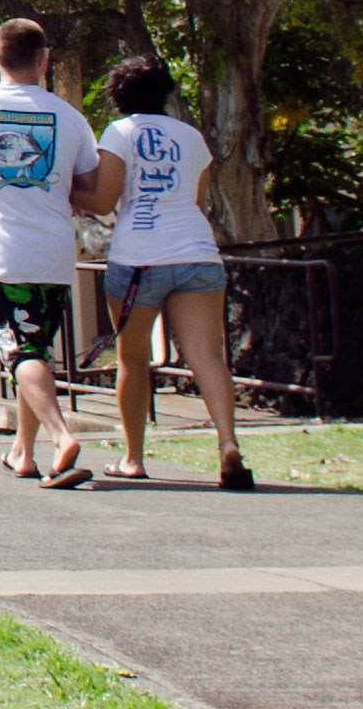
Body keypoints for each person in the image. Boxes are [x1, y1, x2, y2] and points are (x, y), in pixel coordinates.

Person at [0, 19, 103, 489]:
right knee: (36, 354)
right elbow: (88, 187)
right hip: (55, 256)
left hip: (5, 255)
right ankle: (23, 453)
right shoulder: (70, 118)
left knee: (21, 352)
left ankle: (60, 435)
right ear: (43, 60)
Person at [92, 55, 251, 489]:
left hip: (139, 258)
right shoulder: (192, 136)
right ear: (166, 92)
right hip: (197, 252)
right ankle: (227, 444)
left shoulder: (119, 133)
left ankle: (133, 458)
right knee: (207, 356)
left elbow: (105, 199)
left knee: (133, 358)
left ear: (117, 96)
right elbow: (195, 198)